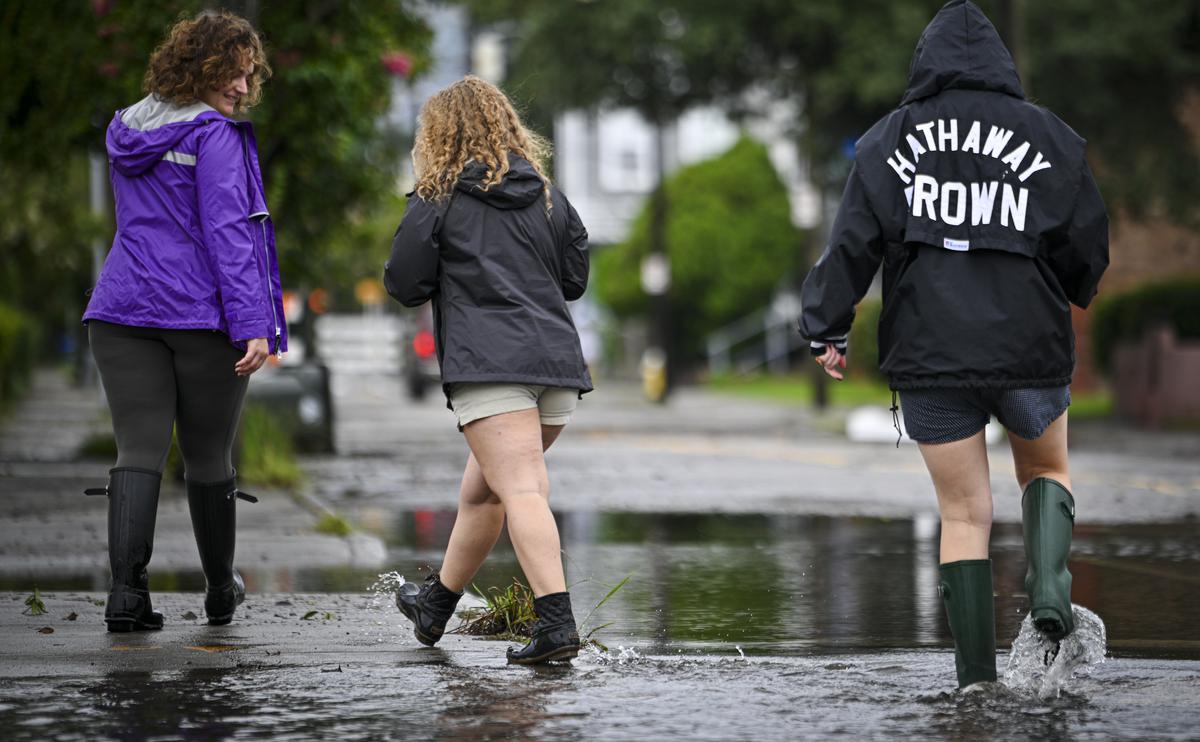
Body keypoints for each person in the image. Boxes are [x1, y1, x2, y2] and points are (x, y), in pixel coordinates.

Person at [799, 0, 1108, 689]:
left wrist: (826, 325)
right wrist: (1072, 288)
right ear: (1003, 64)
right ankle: (1050, 595)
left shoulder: (887, 141)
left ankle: (976, 681)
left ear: (924, 66)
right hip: (1029, 343)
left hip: (931, 355)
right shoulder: (1052, 137)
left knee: (964, 514)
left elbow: (853, 242)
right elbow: (1086, 241)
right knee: (1046, 472)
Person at [82, 10, 286, 633]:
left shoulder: (125, 127)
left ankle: (125, 597)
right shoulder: (214, 136)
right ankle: (221, 590)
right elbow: (229, 234)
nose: (245, 89)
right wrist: (255, 322)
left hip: (121, 310)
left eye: (251, 77)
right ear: (204, 66)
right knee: (206, 455)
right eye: (237, 73)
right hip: (200, 316)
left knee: (137, 445)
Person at [383, 75, 592, 665]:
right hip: (556, 367)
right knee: (482, 494)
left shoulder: (438, 195)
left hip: (490, 364)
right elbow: (574, 279)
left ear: (438, 134)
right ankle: (436, 607)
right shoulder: (549, 195)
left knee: (520, 489)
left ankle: (556, 623)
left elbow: (404, 283)